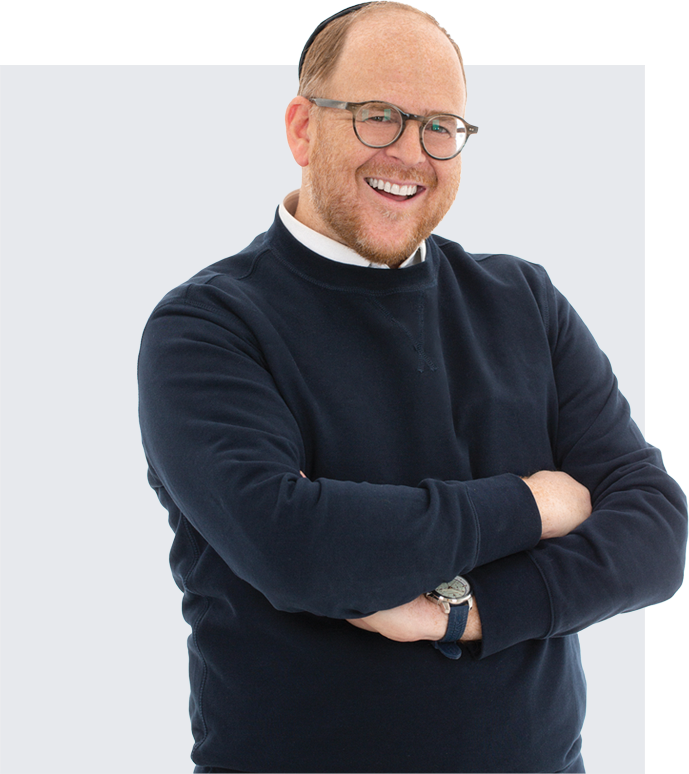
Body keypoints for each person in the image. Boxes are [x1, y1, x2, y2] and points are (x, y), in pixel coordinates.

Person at [137, 5, 685, 773]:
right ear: (302, 129)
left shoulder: (523, 302)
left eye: (439, 127)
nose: (409, 153)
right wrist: (536, 504)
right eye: (378, 117)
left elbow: (655, 533)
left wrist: (457, 613)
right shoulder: (208, 326)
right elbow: (297, 548)